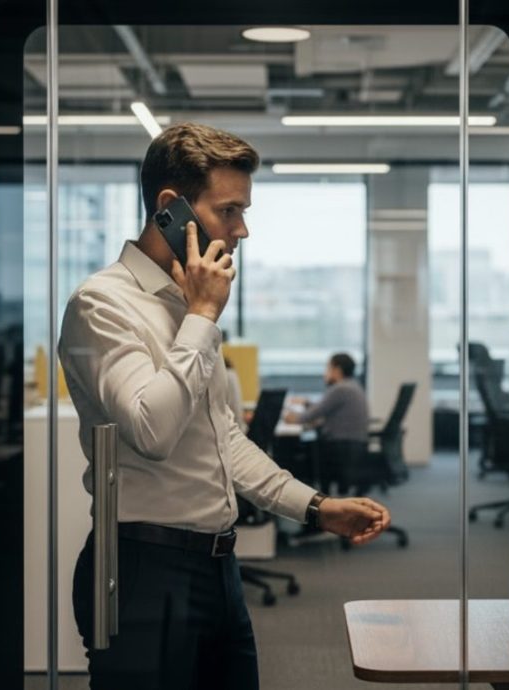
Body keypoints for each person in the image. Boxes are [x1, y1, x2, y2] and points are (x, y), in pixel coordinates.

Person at [58, 122, 391, 690]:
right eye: (229, 210)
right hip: (143, 567)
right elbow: (151, 431)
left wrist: (315, 508)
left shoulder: (189, 304)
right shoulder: (102, 303)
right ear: (172, 208)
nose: (242, 229)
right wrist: (203, 317)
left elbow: (223, 442)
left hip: (217, 569)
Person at [284, 352, 369, 443]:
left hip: (339, 445)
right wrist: (306, 403)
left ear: (337, 370)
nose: (325, 373)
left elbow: (310, 415)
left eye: (328, 368)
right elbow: (324, 408)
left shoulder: (340, 389)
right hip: (350, 445)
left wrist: (293, 417)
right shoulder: (352, 386)